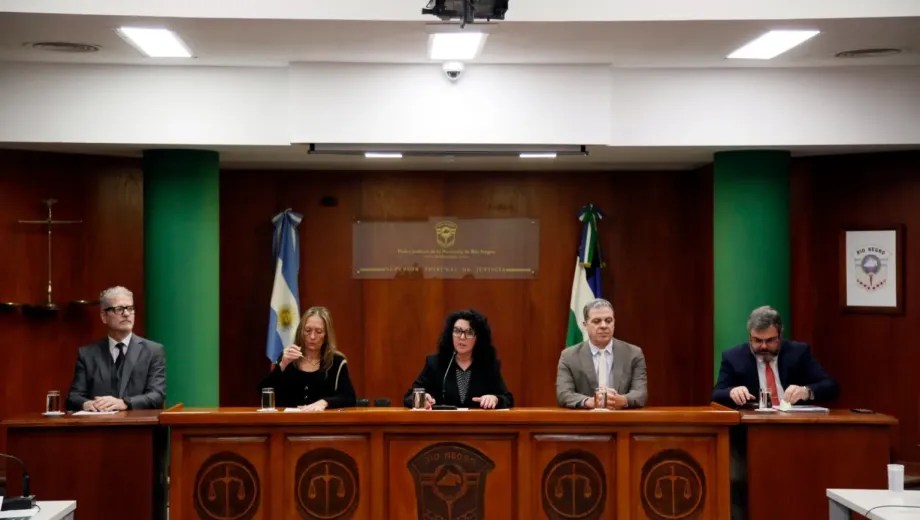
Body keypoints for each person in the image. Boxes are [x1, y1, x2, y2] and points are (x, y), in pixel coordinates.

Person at [712, 305, 838, 407]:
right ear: (750, 336)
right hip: (752, 425)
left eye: (770, 340)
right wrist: (731, 392)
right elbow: (716, 395)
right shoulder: (734, 357)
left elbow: (831, 386)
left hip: (794, 424)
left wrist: (806, 391)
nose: (763, 346)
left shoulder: (798, 353)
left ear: (780, 336)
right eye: (757, 340)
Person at [66, 286, 166, 411]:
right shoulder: (87, 354)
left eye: (130, 308)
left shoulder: (153, 351)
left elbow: (157, 395)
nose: (126, 314)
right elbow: (73, 397)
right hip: (100, 422)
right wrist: (87, 404)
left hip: (137, 422)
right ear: (104, 316)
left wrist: (125, 403)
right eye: (119, 309)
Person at [403, 309, 513, 409]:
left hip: (477, 424)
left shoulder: (488, 365)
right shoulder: (435, 363)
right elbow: (409, 396)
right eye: (457, 331)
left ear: (478, 338)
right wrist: (422, 398)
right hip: (443, 423)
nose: (462, 337)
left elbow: (508, 399)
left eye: (469, 332)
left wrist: (495, 399)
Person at [556, 298, 648, 409]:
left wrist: (623, 400)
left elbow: (640, 393)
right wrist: (589, 402)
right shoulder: (569, 356)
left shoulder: (633, 354)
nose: (604, 326)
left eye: (608, 320)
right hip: (586, 418)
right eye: (597, 321)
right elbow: (564, 394)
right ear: (585, 325)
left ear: (614, 323)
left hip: (621, 417)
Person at [259, 306, 356, 411]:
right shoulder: (288, 357)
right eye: (308, 330)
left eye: (318, 332)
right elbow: (264, 392)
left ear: (326, 335)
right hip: (289, 420)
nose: (312, 336)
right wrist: (282, 366)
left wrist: (325, 402)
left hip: (322, 420)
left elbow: (349, 398)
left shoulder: (336, 361)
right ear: (301, 332)